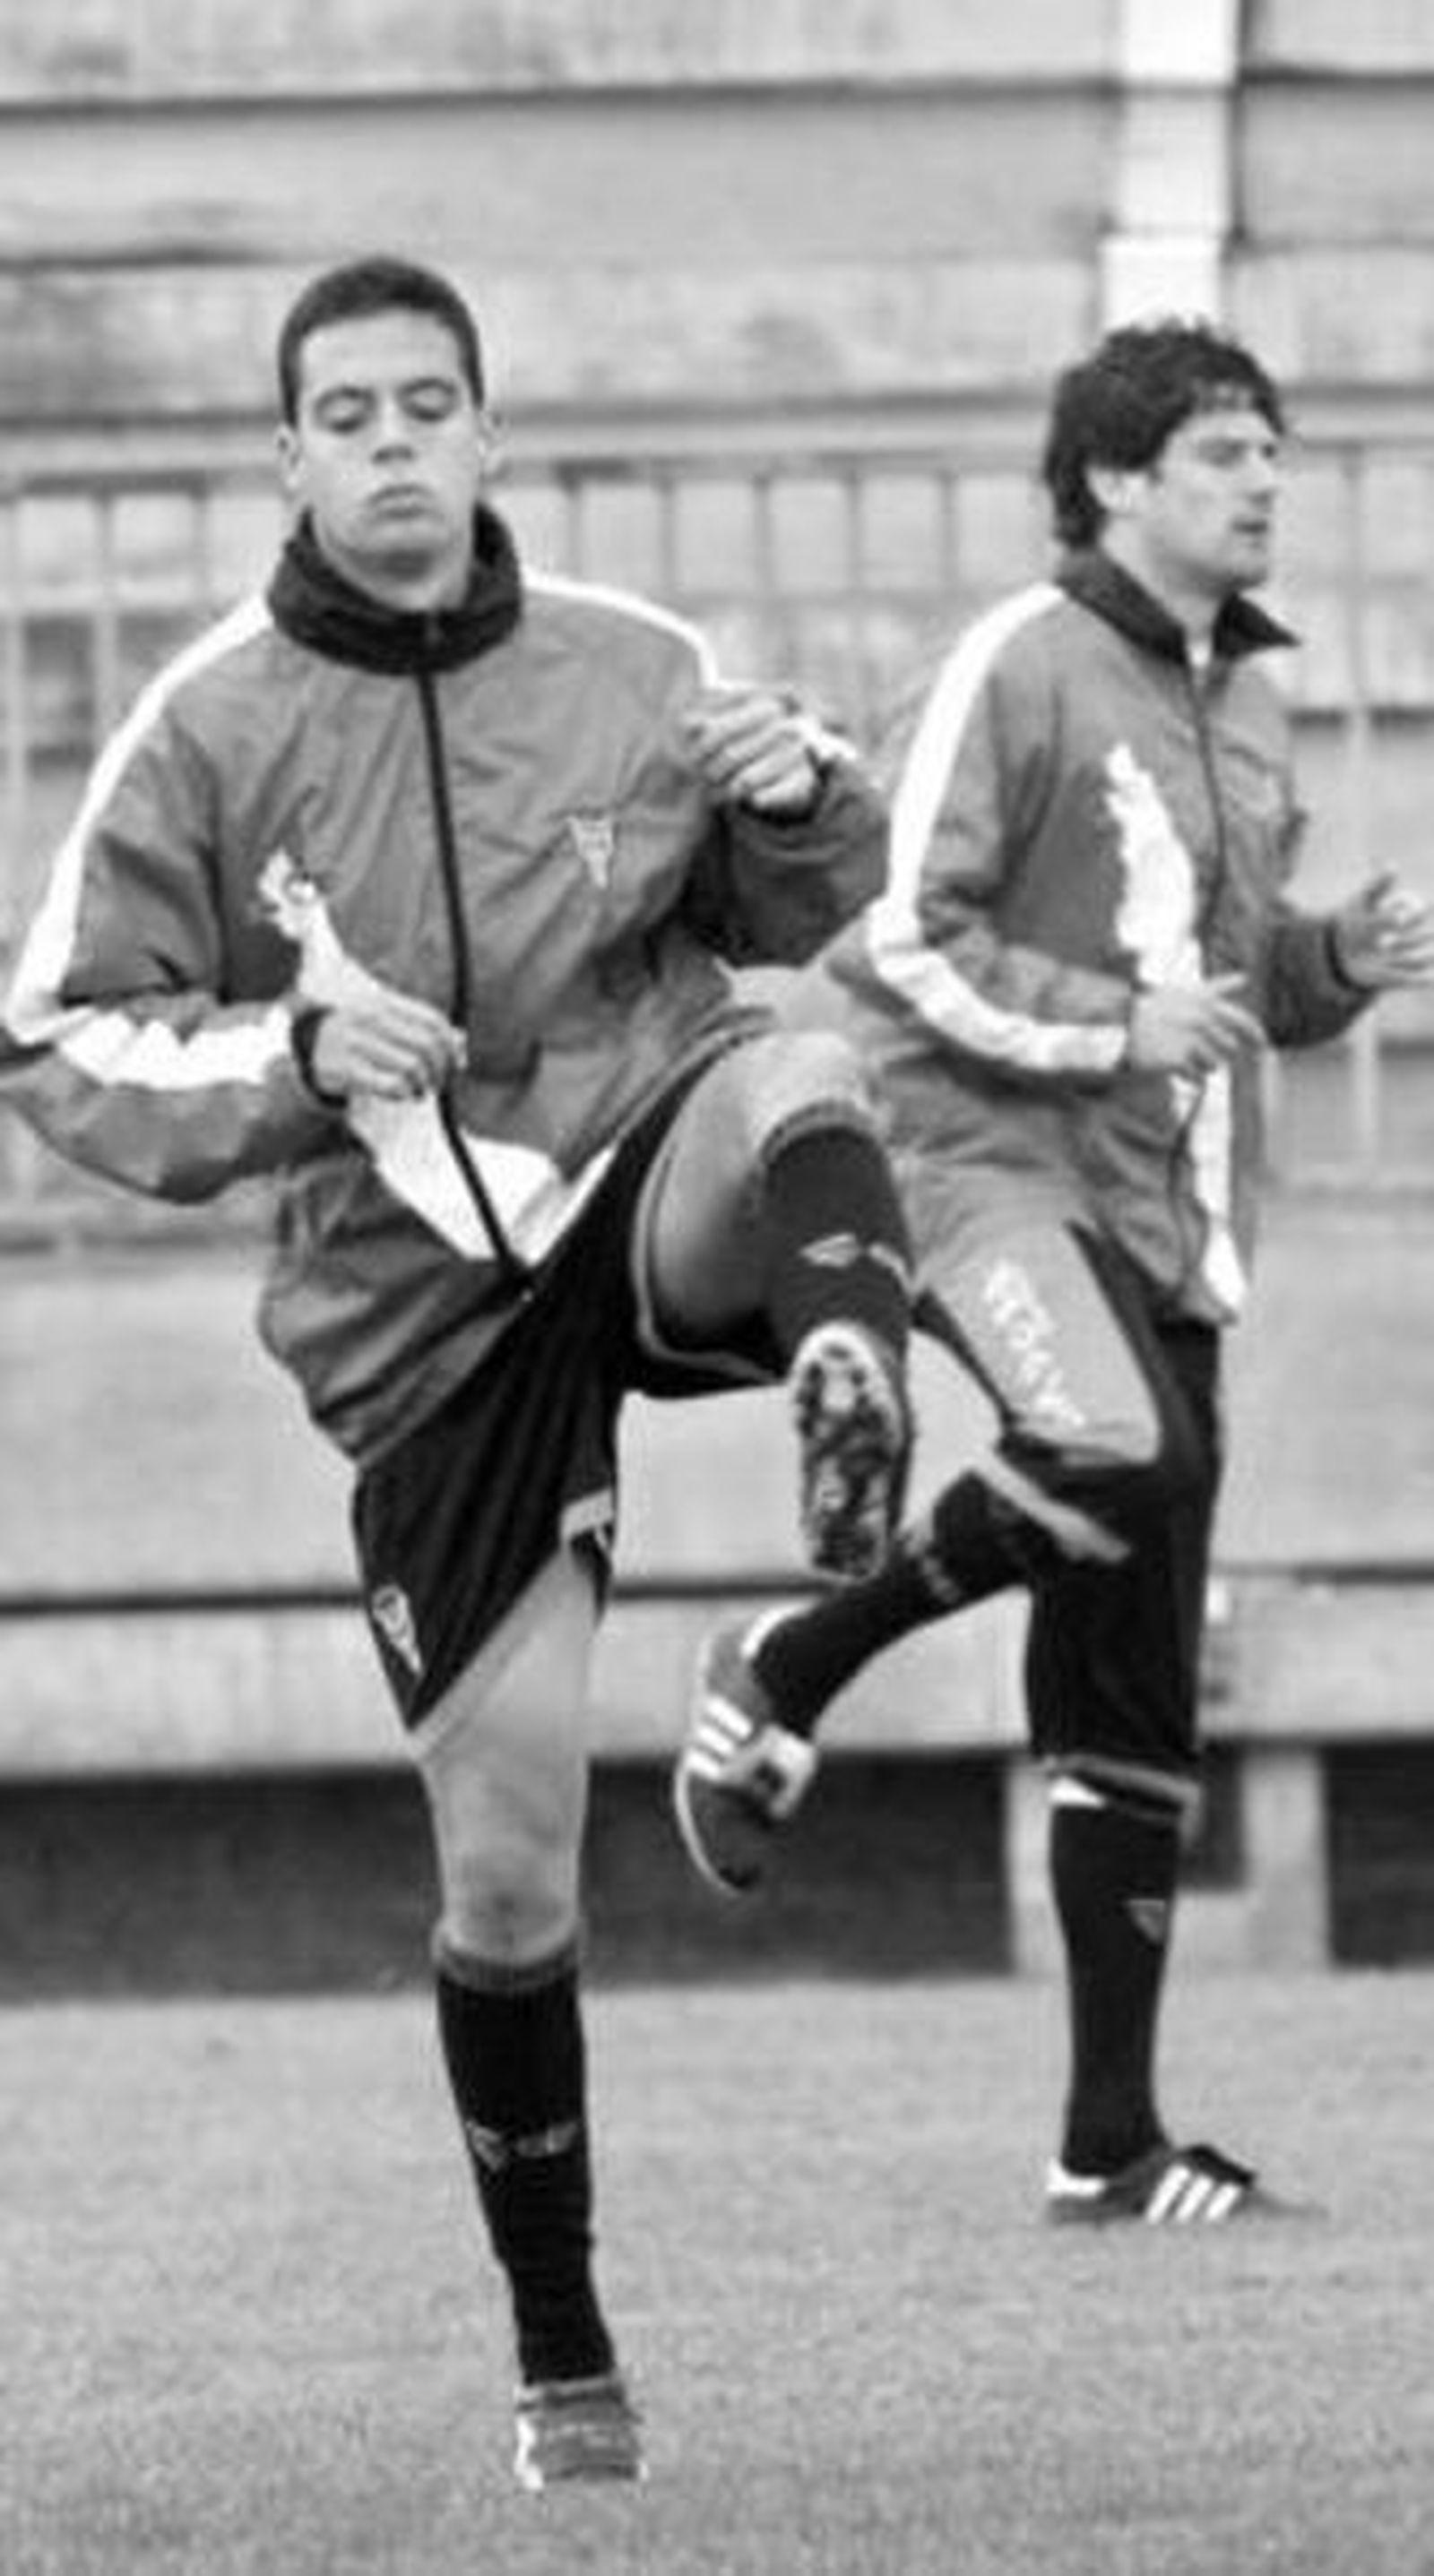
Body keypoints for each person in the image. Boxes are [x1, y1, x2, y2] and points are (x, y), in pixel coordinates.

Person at [0, 255, 917, 2487]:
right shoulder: (207, 727)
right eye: (352, 412)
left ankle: (848, 1372)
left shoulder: (638, 668)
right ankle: (564, 2361)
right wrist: (296, 1052)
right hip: (423, 1336)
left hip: (641, 1173)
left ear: (492, 435)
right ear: (287, 458)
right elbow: (57, 1036)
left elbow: (817, 904)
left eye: (435, 404)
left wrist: (803, 790)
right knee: (509, 1881)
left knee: (796, 1054)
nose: (397, 442)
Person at [675, 317, 1434, 2224]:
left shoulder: (1243, 706)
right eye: (1219, 453)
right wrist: (1108, 1027)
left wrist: (1334, 954)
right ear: (1108, 481)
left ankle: (1105, 2143)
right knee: (1118, 1454)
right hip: (974, 1157)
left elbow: (1230, 986)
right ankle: (785, 1657)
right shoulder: (1014, 662)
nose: (1263, 480)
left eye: (1272, 450)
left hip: (1168, 1214)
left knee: (1131, 1670)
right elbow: (886, 936)